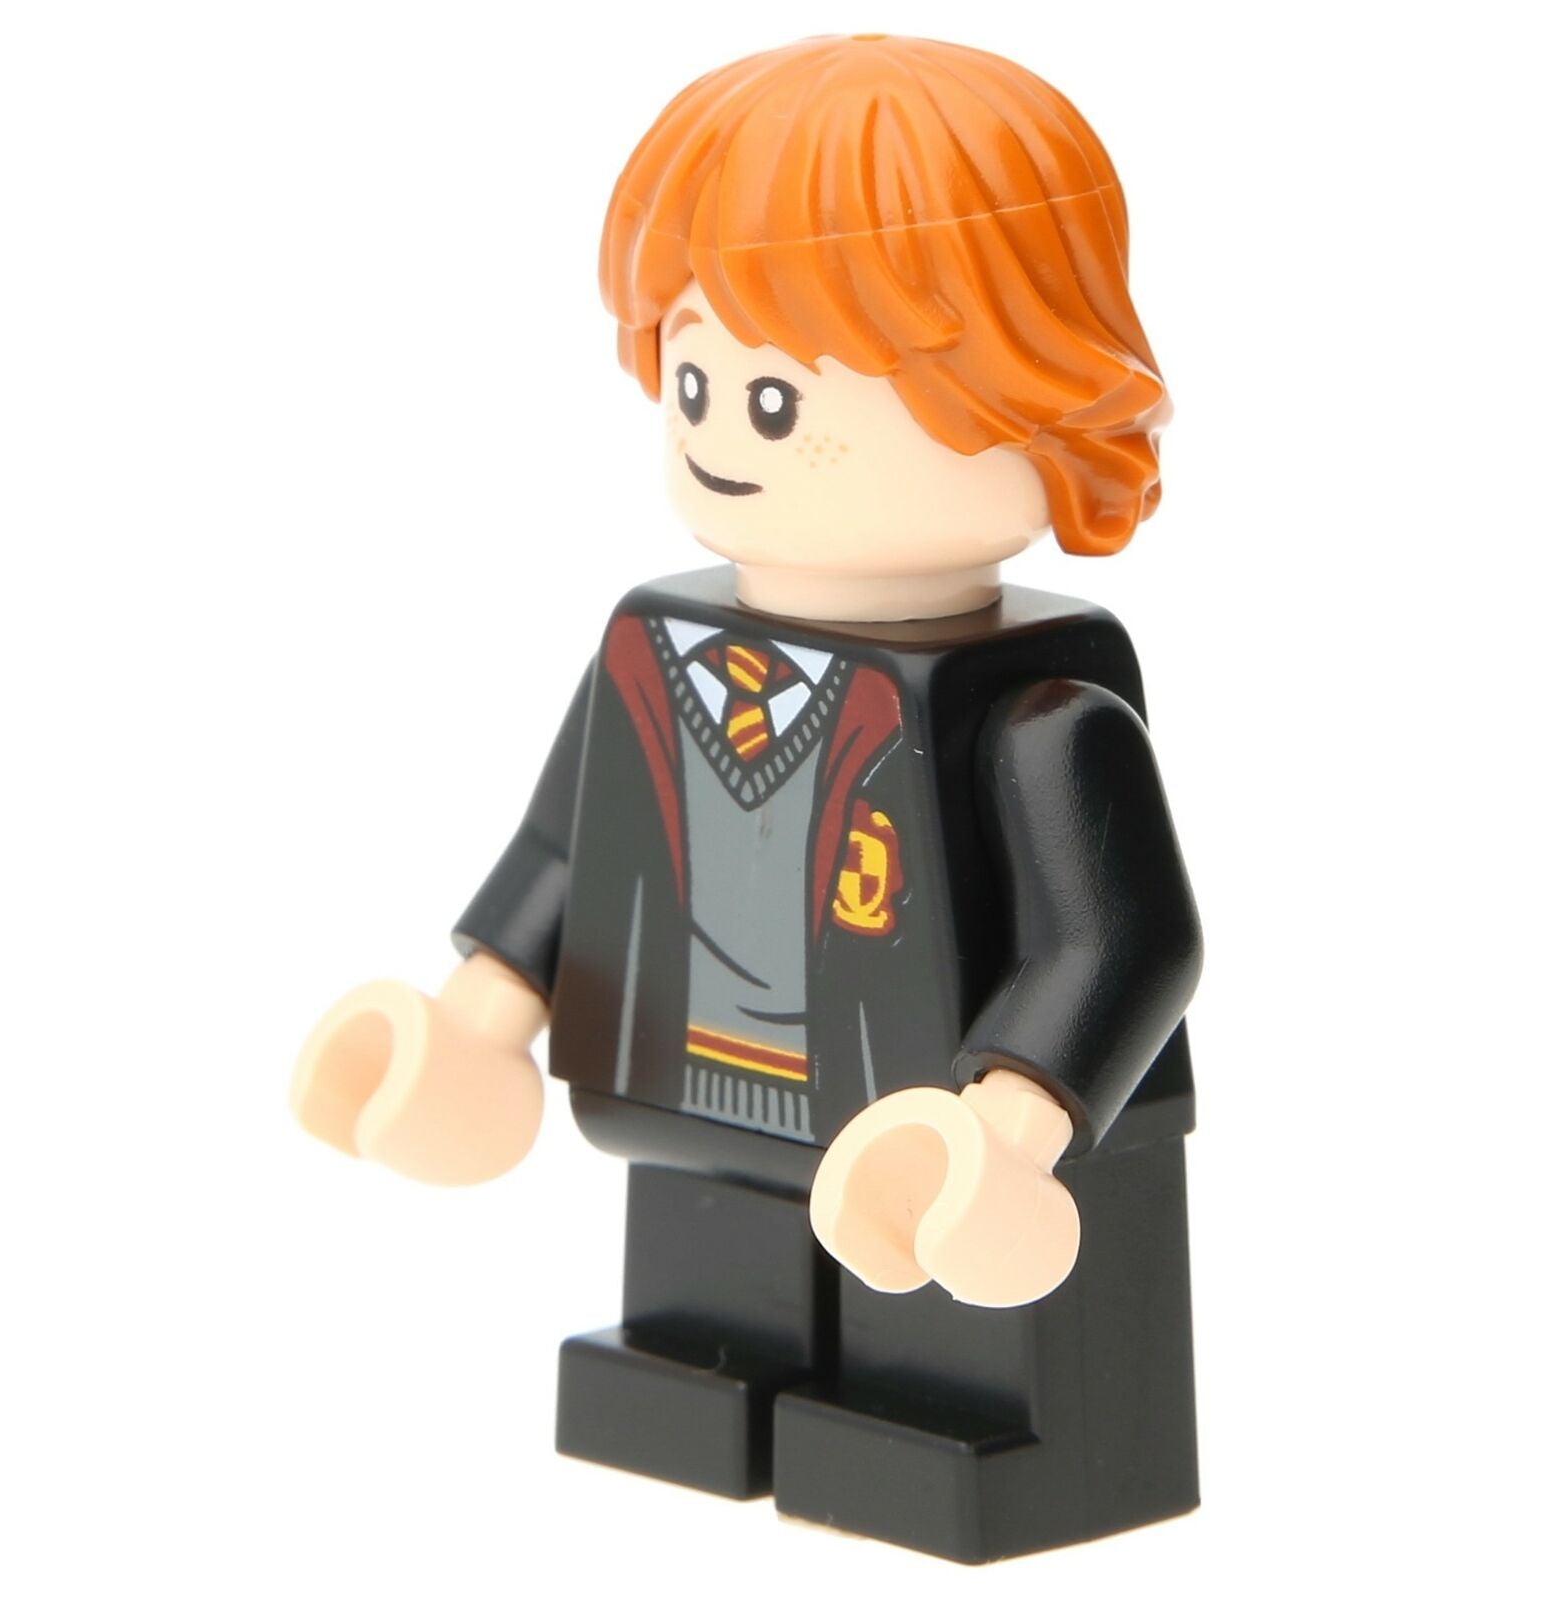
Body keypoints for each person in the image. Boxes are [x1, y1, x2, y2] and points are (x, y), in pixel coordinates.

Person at [291, 34, 1203, 1564]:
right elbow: (568, 852)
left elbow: (1120, 941)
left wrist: (1012, 1128)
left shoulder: (1038, 711)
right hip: (706, 1088)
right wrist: (475, 1029)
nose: (717, 431)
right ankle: (705, 1381)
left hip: (954, 1147)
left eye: (778, 401)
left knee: (962, 1365)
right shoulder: (656, 653)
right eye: (696, 377)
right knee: (699, 1321)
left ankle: (971, 1431)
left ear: (1036, 397)